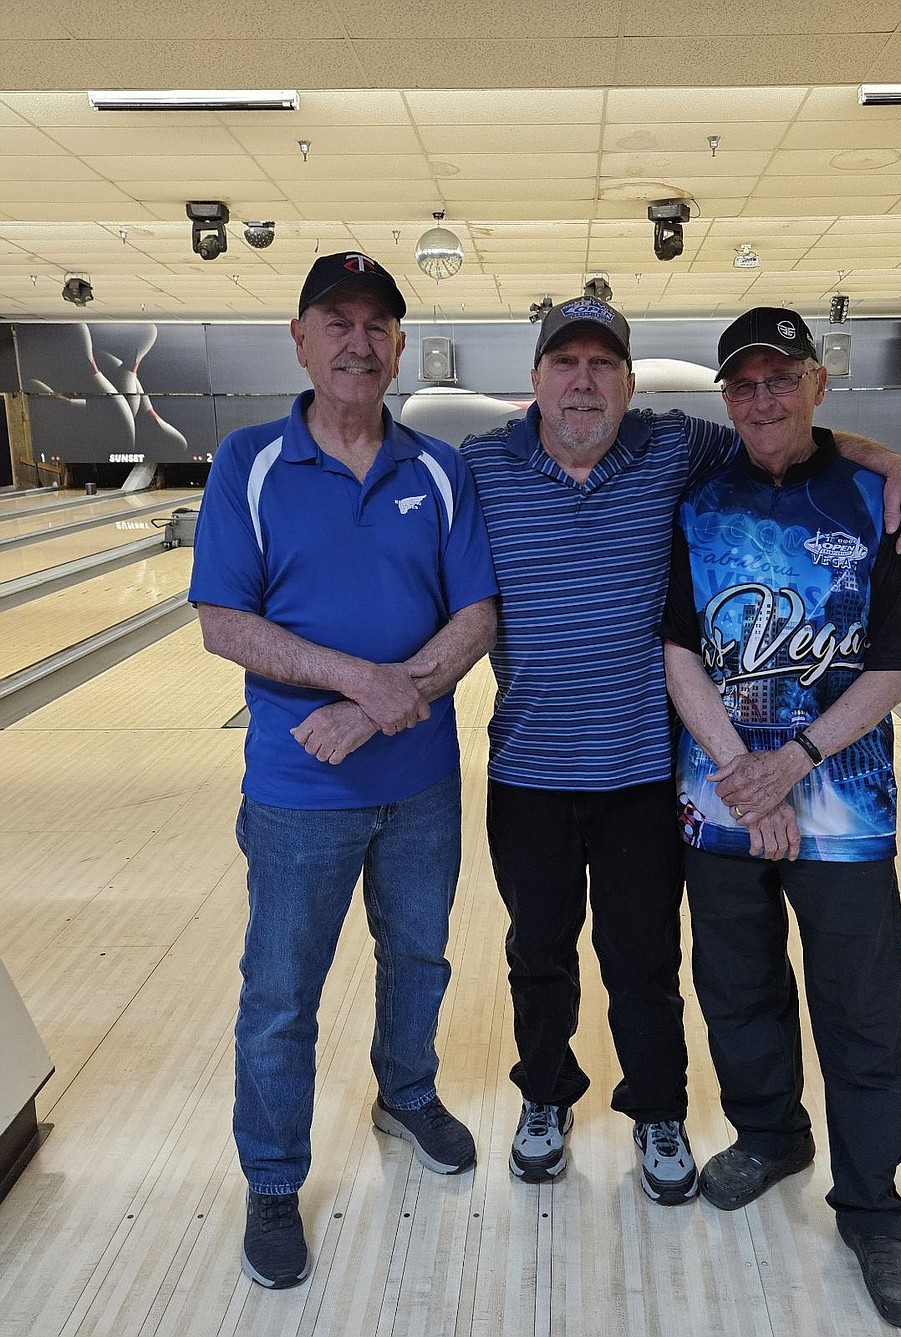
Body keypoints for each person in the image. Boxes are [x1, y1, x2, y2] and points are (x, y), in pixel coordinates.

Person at [458, 297, 901, 1208]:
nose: (584, 381)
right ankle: (566, 1102)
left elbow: (804, 454)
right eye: (566, 363)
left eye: (604, 365)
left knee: (658, 964)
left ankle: (695, 1126)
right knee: (562, 958)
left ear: (630, 383)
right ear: (535, 380)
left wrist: (898, 460)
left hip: (673, 776)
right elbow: (670, 637)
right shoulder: (487, 464)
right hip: (564, 774)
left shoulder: (678, 449)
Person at [189, 252, 498, 1290]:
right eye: (338, 321)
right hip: (296, 794)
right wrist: (359, 680)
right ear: (301, 336)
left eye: (378, 325)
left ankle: (406, 1092)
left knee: (421, 959)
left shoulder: (439, 468)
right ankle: (273, 1180)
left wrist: (375, 706)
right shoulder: (250, 462)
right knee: (280, 995)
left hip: (419, 786)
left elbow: (477, 616)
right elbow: (223, 621)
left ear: (400, 346)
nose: (359, 342)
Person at [659, 306, 901, 1327]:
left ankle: (873, 1206)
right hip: (721, 792)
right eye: (744, 384)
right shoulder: (698, 497)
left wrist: (794, 764)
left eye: (781, 379)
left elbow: (898, 660)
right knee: (734, 984)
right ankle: (770, 1131)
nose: (763, 399)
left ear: (818, 383)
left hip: (843, 802)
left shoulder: (877, 497)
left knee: (862, 1007)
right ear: (727, 397)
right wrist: (745, 771)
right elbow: (679, 647)